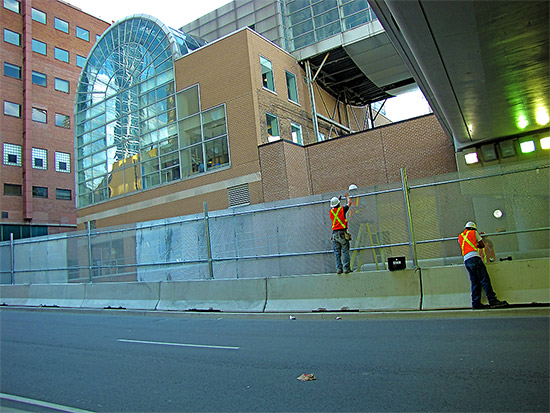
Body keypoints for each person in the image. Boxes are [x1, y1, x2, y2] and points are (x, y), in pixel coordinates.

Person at [459, 221, 508, 309]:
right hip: (475, 258)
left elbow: (466, 245)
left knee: (475, 282)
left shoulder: (461, 236)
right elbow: (481, 245)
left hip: (467, 260)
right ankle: (492, 300)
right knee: (484, 280)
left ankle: (476, 303)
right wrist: (479, 239)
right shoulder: (474, 232)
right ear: (474, 228)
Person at [329, 192, 352, 274]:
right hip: (342, 233)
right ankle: (346, 269)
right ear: (338, 204)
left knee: (337, 253)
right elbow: (349, 203)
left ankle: (339, 269)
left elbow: (335, 208)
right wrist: (347, 196)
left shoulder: (331, 212)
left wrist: (338, 200)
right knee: (345, 251)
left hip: (334, 234)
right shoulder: (342, 210)